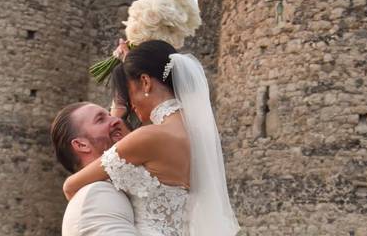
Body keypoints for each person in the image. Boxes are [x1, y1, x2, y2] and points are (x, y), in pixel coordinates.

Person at [63, 40, 239, 236]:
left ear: (145, 82)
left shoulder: (148, 137)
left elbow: (71, 186)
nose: (130, 103)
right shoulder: (197, 136)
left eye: (128, 91)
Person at [52, 101, 139, 236]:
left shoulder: (119, 188)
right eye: (100, 119)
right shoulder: (97, 194)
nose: (116, 120)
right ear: (81, 145)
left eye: (110, 115)